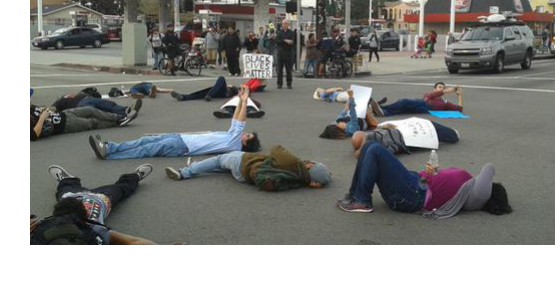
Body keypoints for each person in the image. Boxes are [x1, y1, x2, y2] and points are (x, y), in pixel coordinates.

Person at [336, 140, 512, 218]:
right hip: (415, 183)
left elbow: (490, 168)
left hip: (413, 195)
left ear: (490, 191)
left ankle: (363, 201)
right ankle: (355, 195)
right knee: (369, 145)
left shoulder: (477, 196)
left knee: (375, 149)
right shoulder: (469, 187)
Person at [88, 85, 260, 160]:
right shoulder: (231, 137)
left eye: (248, 135)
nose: (245, 133)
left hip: (183, 147)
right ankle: (109, 148)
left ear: (246, 142)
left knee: (145, 150)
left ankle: (110, 156)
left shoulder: (234, 144)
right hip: (181, 139)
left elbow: (240, 123)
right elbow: (236, 119)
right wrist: (239, 99)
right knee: (144, 141)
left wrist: (245, 102)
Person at [30, 163, 157, 245]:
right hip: (94, 198)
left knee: (120, 189)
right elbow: (135, 242)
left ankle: (134, 177)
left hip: (98, 198)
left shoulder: (93, 228)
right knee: (120, 188)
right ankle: (134, 177)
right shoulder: (92, 228)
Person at [165, 144, 332, 192]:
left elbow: (276, 149)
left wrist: (297, 159)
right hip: (246, 177)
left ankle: (185, 173)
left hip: (245, 163)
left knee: (220, 159)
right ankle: (196, 166)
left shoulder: (294, 163)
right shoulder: (298, 181)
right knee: (224, 167)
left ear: (311, 166)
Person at [351, 119, 460, 158]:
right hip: (408, 138)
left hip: (406, 130)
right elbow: (391, 150)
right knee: (431, 128)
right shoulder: (378, 145)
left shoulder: (375, 134)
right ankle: (453, 134)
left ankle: (452, 134)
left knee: (428, 125)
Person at [31, 102, 139, 141]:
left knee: (90, 109)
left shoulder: (30, 108)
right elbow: (34, 134)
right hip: (64, 125)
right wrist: (42, 118)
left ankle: (120, 117)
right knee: (92, 123)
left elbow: (45, 108)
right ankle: (119, 122)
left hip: (64, 114)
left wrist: (47, 110)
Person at [374, 82, 464, 117]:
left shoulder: (445, 102)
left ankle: (381, 109)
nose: (441, 89)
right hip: (422, 104)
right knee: (403, 105)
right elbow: (429, 97)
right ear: (435, 89)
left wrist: (459, 95)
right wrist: (446, 91)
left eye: (443, 87)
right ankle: (382, 110)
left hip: (428, 109)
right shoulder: (429, 95)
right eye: (440, 87)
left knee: (404, 105)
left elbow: (459, 110)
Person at [50, 89, 141, 118]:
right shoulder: (59, 102)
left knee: (105, 105)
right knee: (102, 109)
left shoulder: (65, 97)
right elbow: (51, 109)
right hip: (81, 105)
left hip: (87, 99)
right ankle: (124, 113)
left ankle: (126, 110)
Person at [170, 75, 240, 102]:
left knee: (221, 78)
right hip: (217, 91)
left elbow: (237, 91)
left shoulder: (237, 89)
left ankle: (209, 95)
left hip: (226, 92)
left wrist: (231, 87)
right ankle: (183, 97)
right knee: (200, 94)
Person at [275, 19, 295, 89]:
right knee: (279, 69)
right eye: (283, 24)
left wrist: (286, 41)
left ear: (288, 25)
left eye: (286, 23)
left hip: (288, 53)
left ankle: (289, 83)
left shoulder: (291, 32)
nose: (284, 25)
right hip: (280, 53)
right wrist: (285, 40)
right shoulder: (279, 32)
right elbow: (277, 41)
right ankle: (279, 83)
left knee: (288, 69)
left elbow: (292, 42)